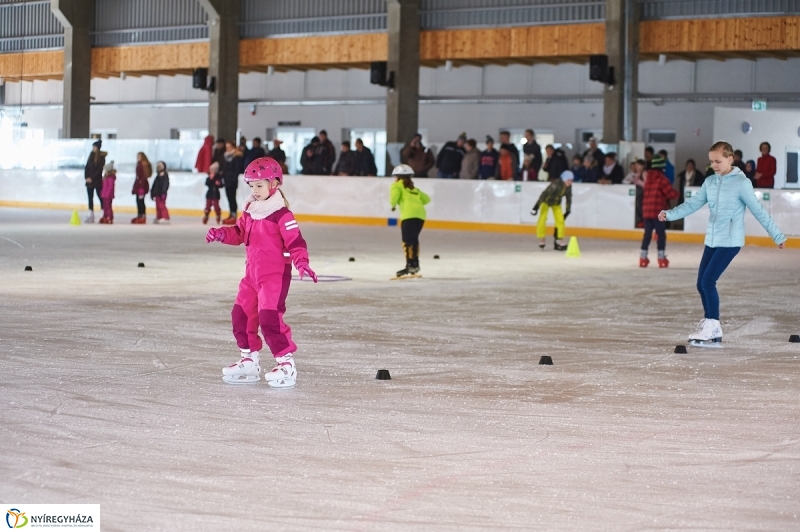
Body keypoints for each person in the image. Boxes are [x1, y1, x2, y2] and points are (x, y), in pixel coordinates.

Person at [205, 157, 317, 388]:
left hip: (274, 277)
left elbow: (296, 242)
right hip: (251, 276)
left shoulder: (281, 214)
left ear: (274, 184)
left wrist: (302, 263)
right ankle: (249, 360)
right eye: (251, 185)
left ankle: (286, 363)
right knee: (241, 315)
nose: (254, 190)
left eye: (259, 185)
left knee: (269, 319)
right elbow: (238, 233)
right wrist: (221, 234)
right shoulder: (250, 211)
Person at [660, 141, 786, 347]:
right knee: (701, 283)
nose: (714, 165)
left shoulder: (741, 183)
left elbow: (758, 210)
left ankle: (713, 325)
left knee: (708, 281)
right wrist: (670, 214)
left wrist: (777, 235)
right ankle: (711, 325)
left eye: (718, 161)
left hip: (730, 241)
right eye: (711, 162)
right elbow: (693, 203)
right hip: (712, 239)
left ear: (730, 158)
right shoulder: (710, 182)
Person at [389, 164, 431, 278]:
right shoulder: (414, 188)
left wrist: (393, 205)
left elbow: (393, 198)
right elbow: (427, 199)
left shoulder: (396, 186)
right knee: (414, 239)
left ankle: (409, 265)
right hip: (420, 215)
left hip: (408, 215)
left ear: (398, 176)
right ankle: (415, 264)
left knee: (407, 241)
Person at [639, 155, 679, 268]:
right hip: (658, 211)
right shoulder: (662, 179)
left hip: (647, 211)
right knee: (660, 234)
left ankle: (642, 257)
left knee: (647, 235)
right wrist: (679, 194)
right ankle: (661, 258)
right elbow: (670, 193)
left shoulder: (648, 179)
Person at [531, 169, 573, 251]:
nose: (570, 182)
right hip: (546, 201)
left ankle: (559, 240)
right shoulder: (555, 185)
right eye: (568, 180)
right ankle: (542, 238)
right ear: (564, 179)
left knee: (560, 221)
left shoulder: (568, 187)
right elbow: (544, 194)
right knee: (542, 219)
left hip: (556, 203)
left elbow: (569, 198)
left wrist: (568, 210)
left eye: (571, 180)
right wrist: (536, 206)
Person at [83, 140, 106, 223]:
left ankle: (103, 212)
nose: (93, 148)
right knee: (90, 197)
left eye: (95, 147)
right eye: (93, 147)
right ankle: (90, 213)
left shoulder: (101, 158)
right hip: (89, 181)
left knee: (100, 196)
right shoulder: (91, 156)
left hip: (97, 181)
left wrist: (92, 178)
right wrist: (86, 177)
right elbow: (87, 167)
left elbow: (99, 170)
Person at [222, 140, 244, 224]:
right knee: (229, 197)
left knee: (232, 198)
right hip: (227, 179)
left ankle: (234, 215)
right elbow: (225, 168)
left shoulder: (236, 156)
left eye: (229, 147)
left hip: (232, 180)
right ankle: (231, 213)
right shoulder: (226, 156)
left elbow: (237, 169)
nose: (227, 148)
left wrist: (233, 178)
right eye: (227, 147)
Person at [624, 159, 646, 227]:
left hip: (642, 194)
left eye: (638, 165)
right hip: (637, 193)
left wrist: (638, 181)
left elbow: (646, 185)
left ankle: (642, 221)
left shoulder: (644, 173)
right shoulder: (637, 174)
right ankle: (639, 221)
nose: (636, 166)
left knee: (640, 207)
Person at [131, 152, 152, 224]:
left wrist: (141, 188)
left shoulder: (143, 165)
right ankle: (140, 214)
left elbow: (142, 177)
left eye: (139, 156)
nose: (138, 157)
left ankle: (142, 215)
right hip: (139, 185)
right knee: (138, 201)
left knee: (141, 201)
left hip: (142, 186)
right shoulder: (139, 164)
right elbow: (138, 177)